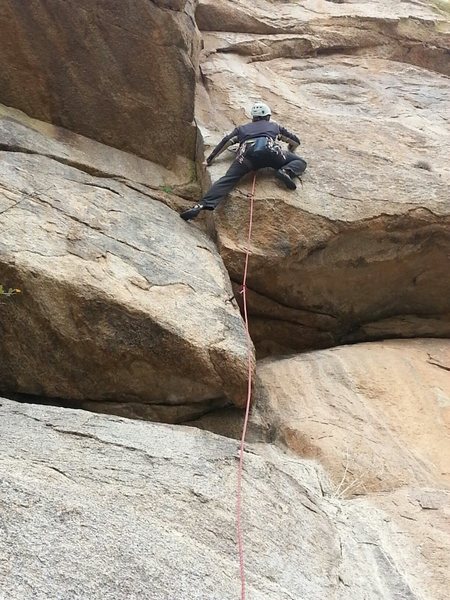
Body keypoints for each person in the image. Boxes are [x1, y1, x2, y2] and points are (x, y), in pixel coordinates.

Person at [180, 102, 307, 221]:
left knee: (227, 180)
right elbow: (295, 141)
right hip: (271, 154)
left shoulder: (242, 129)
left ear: (253, 117)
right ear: (268, 116)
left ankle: (201, 205)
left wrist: (209, 160)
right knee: (300, 162)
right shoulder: (274, 127)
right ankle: (285, 171)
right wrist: (291, 148)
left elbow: (225, 142)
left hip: (246, 157)